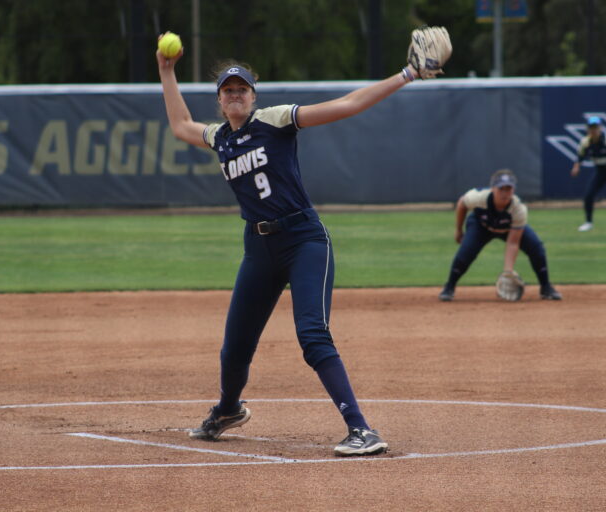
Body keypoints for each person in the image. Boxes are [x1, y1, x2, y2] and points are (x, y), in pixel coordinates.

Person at [155, 30, 449, 456]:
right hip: (258, 250)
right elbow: (181, 125)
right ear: (219, 101)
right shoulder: (221, 138)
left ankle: (361, 429)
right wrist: (167, 71)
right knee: (235, 346)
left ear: (253, 97)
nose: (235, 95)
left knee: (312, 334)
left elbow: (347, 105)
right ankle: (227, 409)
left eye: (242, 89)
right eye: (228, 90)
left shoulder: (273, 120)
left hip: (303, 239)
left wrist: (406, 74)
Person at [439, 170, 562, 302]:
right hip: (481, 225)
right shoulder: (478, 197)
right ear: (492, 188)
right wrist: (458, 230)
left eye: (508, 189)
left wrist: (507, 272)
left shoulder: (518, 209)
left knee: (536, 247)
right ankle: (449, 287)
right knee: (466, 251)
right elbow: (462, 204)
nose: (504, 193)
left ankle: (546, 287)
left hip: (508, 229)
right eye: (501, 189)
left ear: (513, 190)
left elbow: (513, 243)